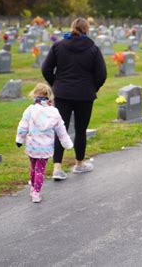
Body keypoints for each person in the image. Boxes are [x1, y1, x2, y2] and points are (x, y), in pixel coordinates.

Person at [42, 18, 107, 180]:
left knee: (59, 129)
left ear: (72, 28)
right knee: (80, 130)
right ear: (86, 29)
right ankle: (79, 163)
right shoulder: (93, 49)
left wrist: (56, 84)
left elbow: (46, 68)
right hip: (85, 94)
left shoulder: (58, 46)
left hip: (63, 93)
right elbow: (101, 74)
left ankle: (57, 167)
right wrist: (93, 87)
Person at [16, 83, 73, 203]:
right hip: (45, 147)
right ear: (49, 96)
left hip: (32, 145)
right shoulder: (54, 112)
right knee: (40, 170)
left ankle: (32, 188)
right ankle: (36, 193)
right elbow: (61, 130)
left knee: (33, 167)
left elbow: (23, 126)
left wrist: (19, 139)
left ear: (35, 94)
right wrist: (67, 143)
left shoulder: (30, 110)